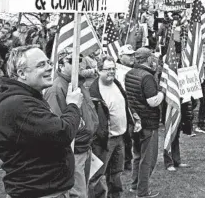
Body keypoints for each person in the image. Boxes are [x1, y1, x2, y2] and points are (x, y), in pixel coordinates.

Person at [0, 45, 83, 198]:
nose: (49, 68)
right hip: (39, 192)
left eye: (48, 63)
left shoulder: (25, 98)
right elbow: (62, 133)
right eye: (41, 65)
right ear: (21, 73)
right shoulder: (19, 104)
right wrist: (73, 106)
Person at [44, 48, 99, 198]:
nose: (78, 65)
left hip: (85, 145)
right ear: (61, 65)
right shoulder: (56, 89)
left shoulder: (78, 84)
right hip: (72, 150)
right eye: (72, 61)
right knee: (77, 193)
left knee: (84, 189)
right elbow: (56, 127)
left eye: (80, 60)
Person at [89, 55, 137, 198]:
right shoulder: (93, 92)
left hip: (120, 138)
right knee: (96, 176)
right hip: (104, 141)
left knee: (116, 174)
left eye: (113, 68)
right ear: (99, 71)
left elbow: (125, 105)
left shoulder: (117, 84)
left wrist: (133, 118)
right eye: (107, 69)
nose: (111, 72)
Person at [124, 48, 163, 198]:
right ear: (147, 59)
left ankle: (135, 186)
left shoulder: (129, 73)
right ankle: (143, 192)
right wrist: (162, 92)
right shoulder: (147, 77)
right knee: (148, 159)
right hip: (148, 122)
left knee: (138, 155)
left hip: (135, 121)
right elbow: (152, 101)